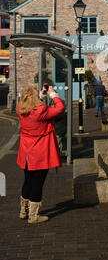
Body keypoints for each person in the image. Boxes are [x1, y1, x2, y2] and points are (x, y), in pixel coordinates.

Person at [17, 85, 65, 224]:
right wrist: (52, 94)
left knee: (28, 181)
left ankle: (23, 211)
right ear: (35, 99)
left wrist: (41, 95)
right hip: (40, 153)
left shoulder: (20, 109)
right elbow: (60, 108)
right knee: (38, 183)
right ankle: (33, 216)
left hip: (26, 153)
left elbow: (30, 103)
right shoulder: (41, 111)